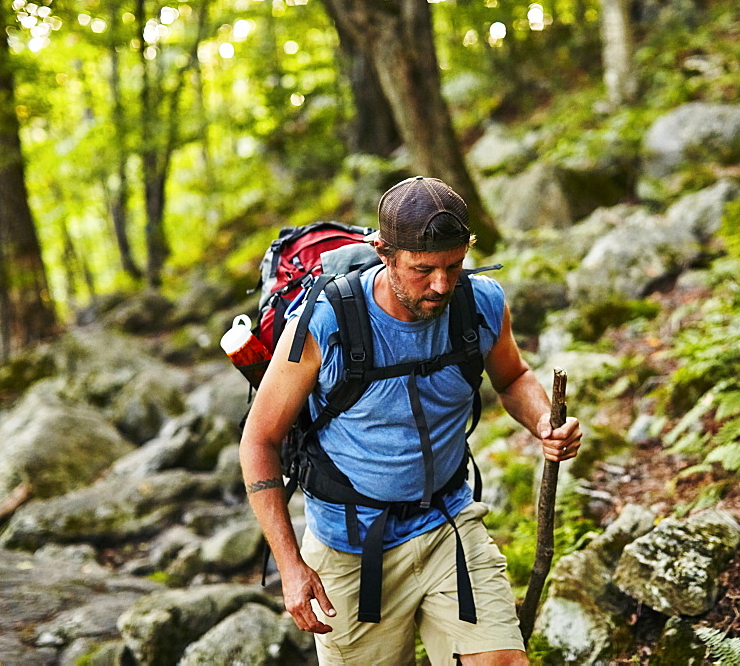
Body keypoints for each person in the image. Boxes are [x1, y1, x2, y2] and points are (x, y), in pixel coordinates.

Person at [239, 176, 582, 665]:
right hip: (350, 550)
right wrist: (291, 567)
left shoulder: (479, 301)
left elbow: (512, 378)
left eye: (453, 266)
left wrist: (544, 421)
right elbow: (259, 440)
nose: (442, 285)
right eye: (423, 270)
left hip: (449, 525)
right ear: (382, 252)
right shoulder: (325, 322)